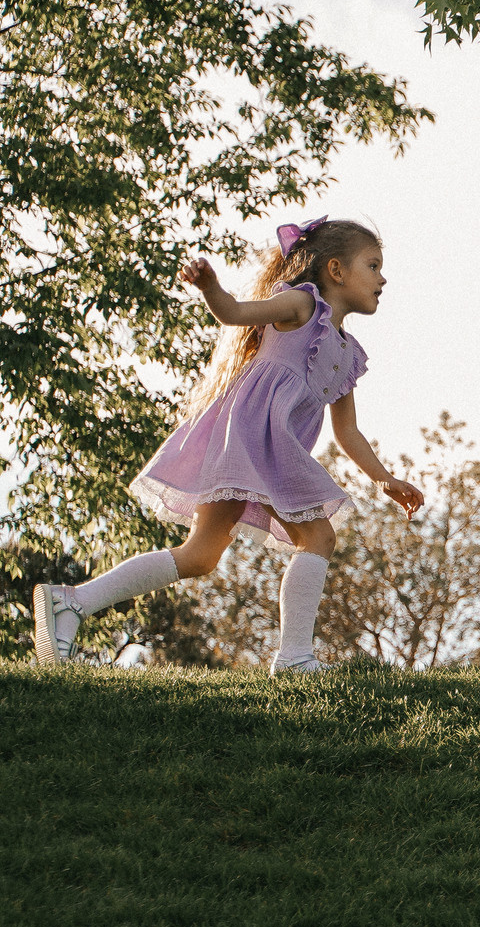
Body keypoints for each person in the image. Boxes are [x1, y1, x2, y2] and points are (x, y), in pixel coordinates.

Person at [30, 216, 424, 673]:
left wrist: (385, 479)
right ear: (336, 271)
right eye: (373, 265)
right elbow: (235, 313)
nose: (383, 278)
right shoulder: (300, 305)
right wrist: (210, 287)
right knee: (317, 534)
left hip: (257, 448)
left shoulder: (345, 350)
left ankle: (72, 602)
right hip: (257, 440)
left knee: (200, 555)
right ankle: (295, 658)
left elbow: (347, 431)